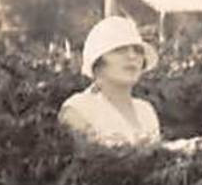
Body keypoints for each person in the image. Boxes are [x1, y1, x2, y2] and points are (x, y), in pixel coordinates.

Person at [58, 16, 162, 145]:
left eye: (138, 50)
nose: (132, 56)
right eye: (120, 50)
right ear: (98, 62)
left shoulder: (146, 111)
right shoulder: (79, 109)